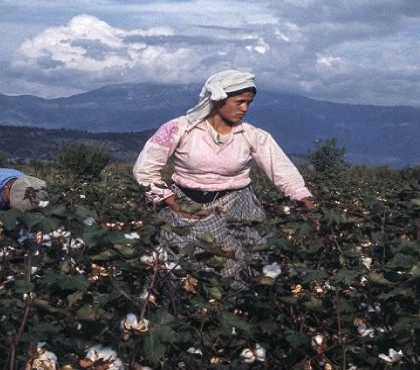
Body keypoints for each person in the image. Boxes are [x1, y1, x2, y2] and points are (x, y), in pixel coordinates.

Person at [133, 69, 314, 281]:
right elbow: (145, 168)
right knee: (188, 269)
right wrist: (172, 202)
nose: (245, 108)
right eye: (239, 102)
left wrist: (305, 201)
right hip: (187, 206)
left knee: (243, 268)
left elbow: (283, 171)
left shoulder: (252, 135)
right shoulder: (178, 129)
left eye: (249, 102)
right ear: (218, 99)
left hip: (238, 206)